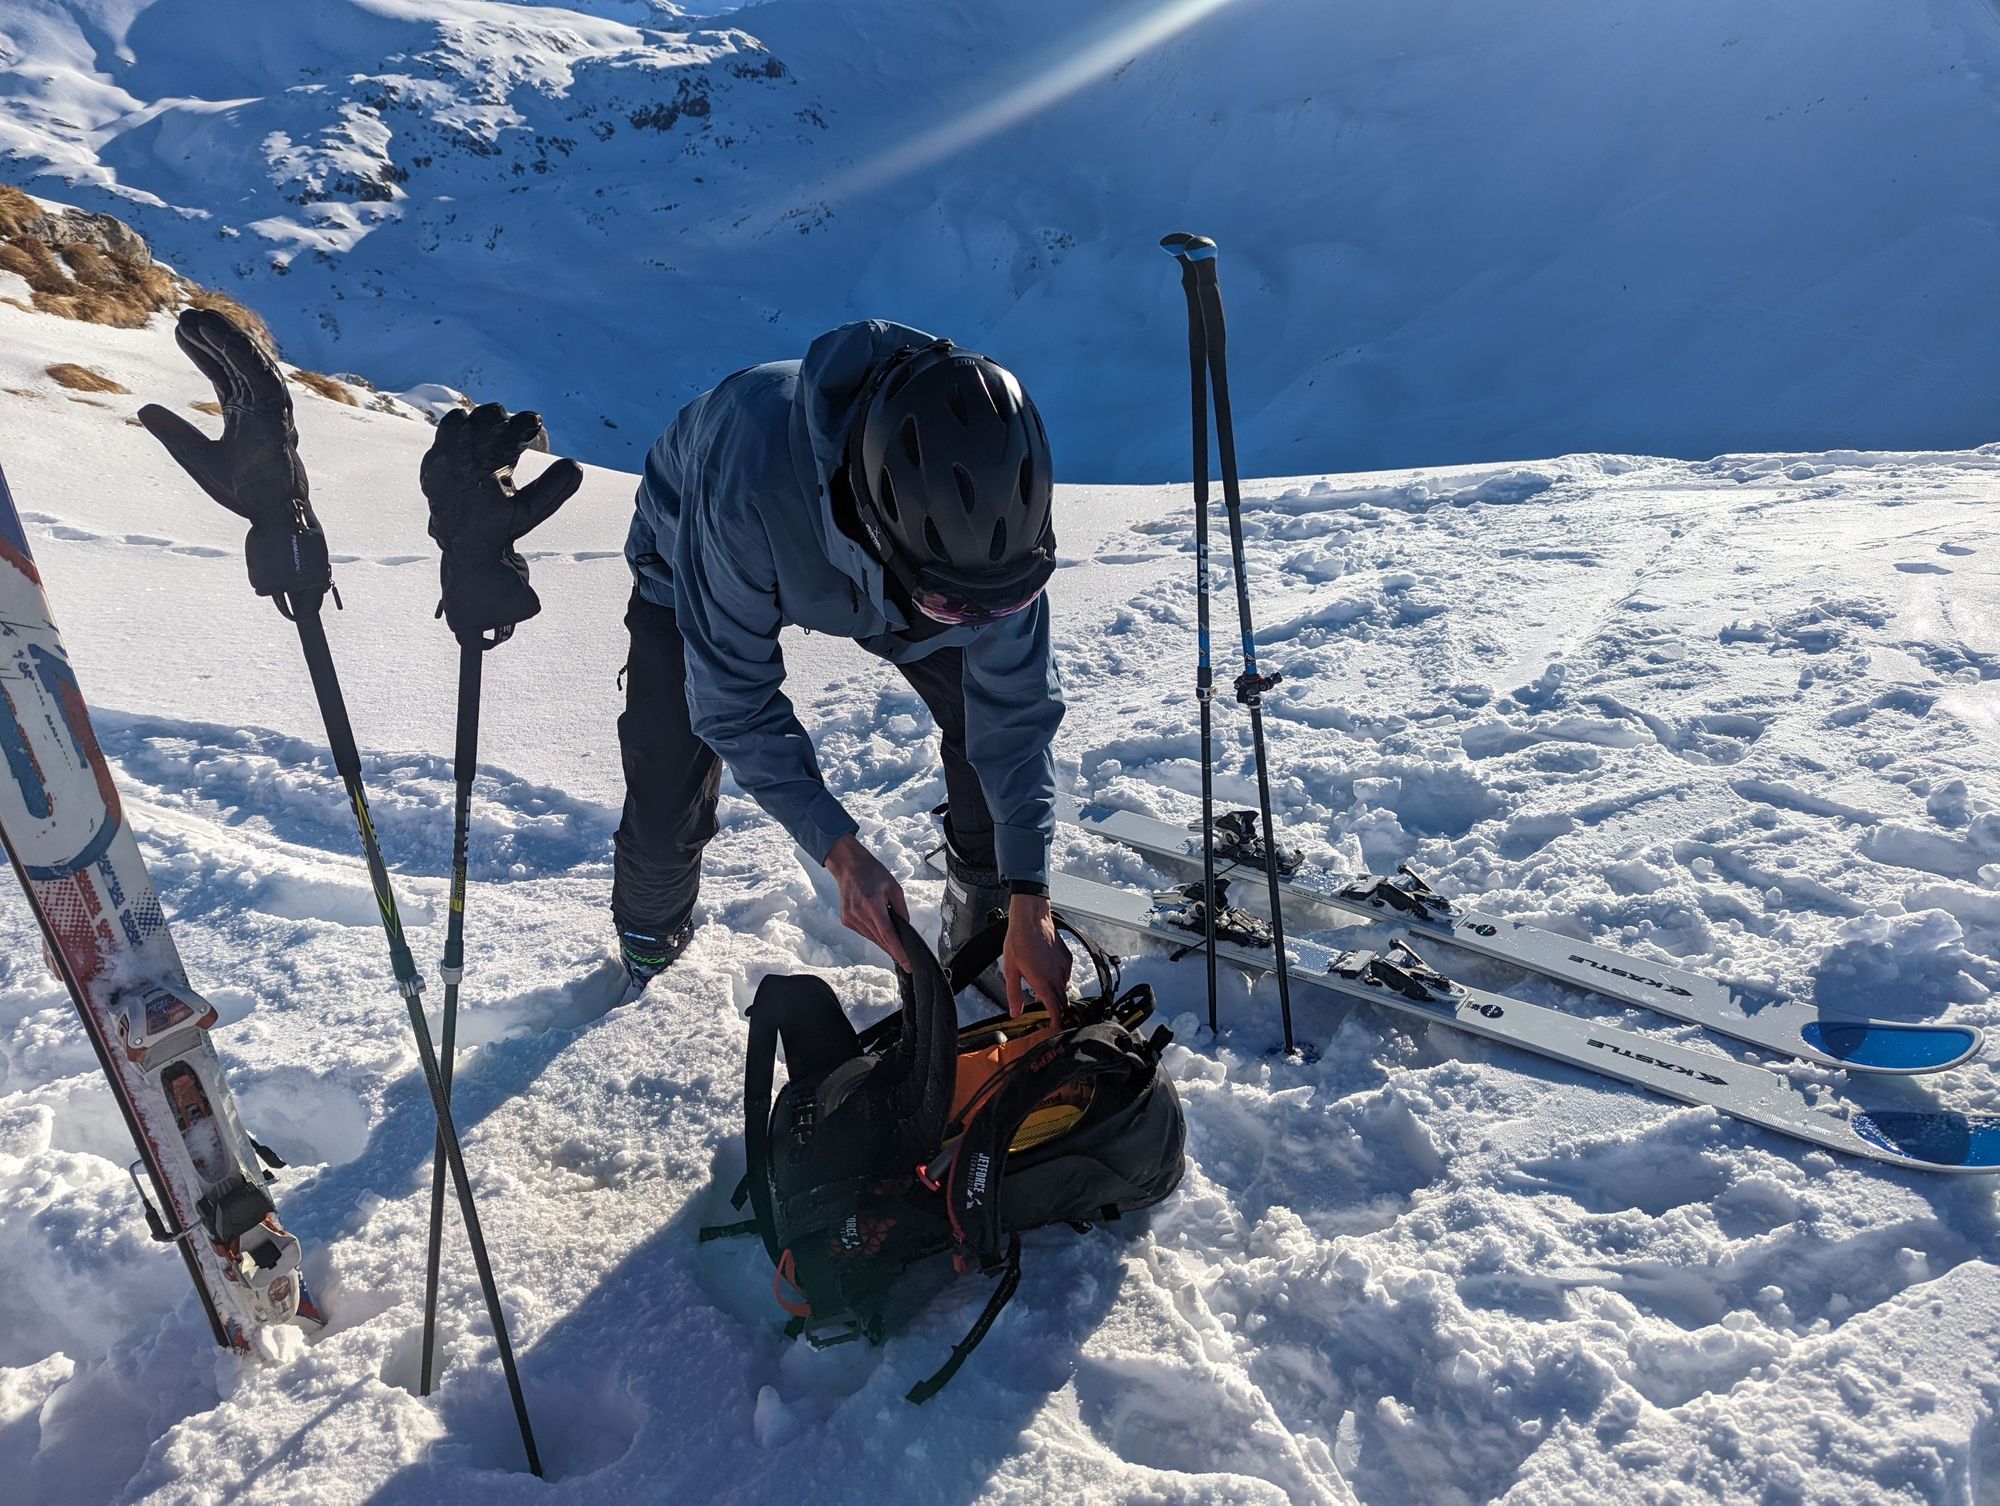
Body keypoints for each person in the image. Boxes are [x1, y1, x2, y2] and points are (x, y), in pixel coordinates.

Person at [613, 321, 1072, 1012]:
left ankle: (989, 913)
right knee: (666, 780)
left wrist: (1031, 891)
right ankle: (650, 938)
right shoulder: (748, 480)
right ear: (876, 531)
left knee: (982, 729)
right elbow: (733, 701)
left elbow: (1015, 716)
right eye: (954, 605)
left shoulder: (992, 551)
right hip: (692, 556)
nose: (980, 624)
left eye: (1002, 604)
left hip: (898, 575)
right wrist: (842, 855)